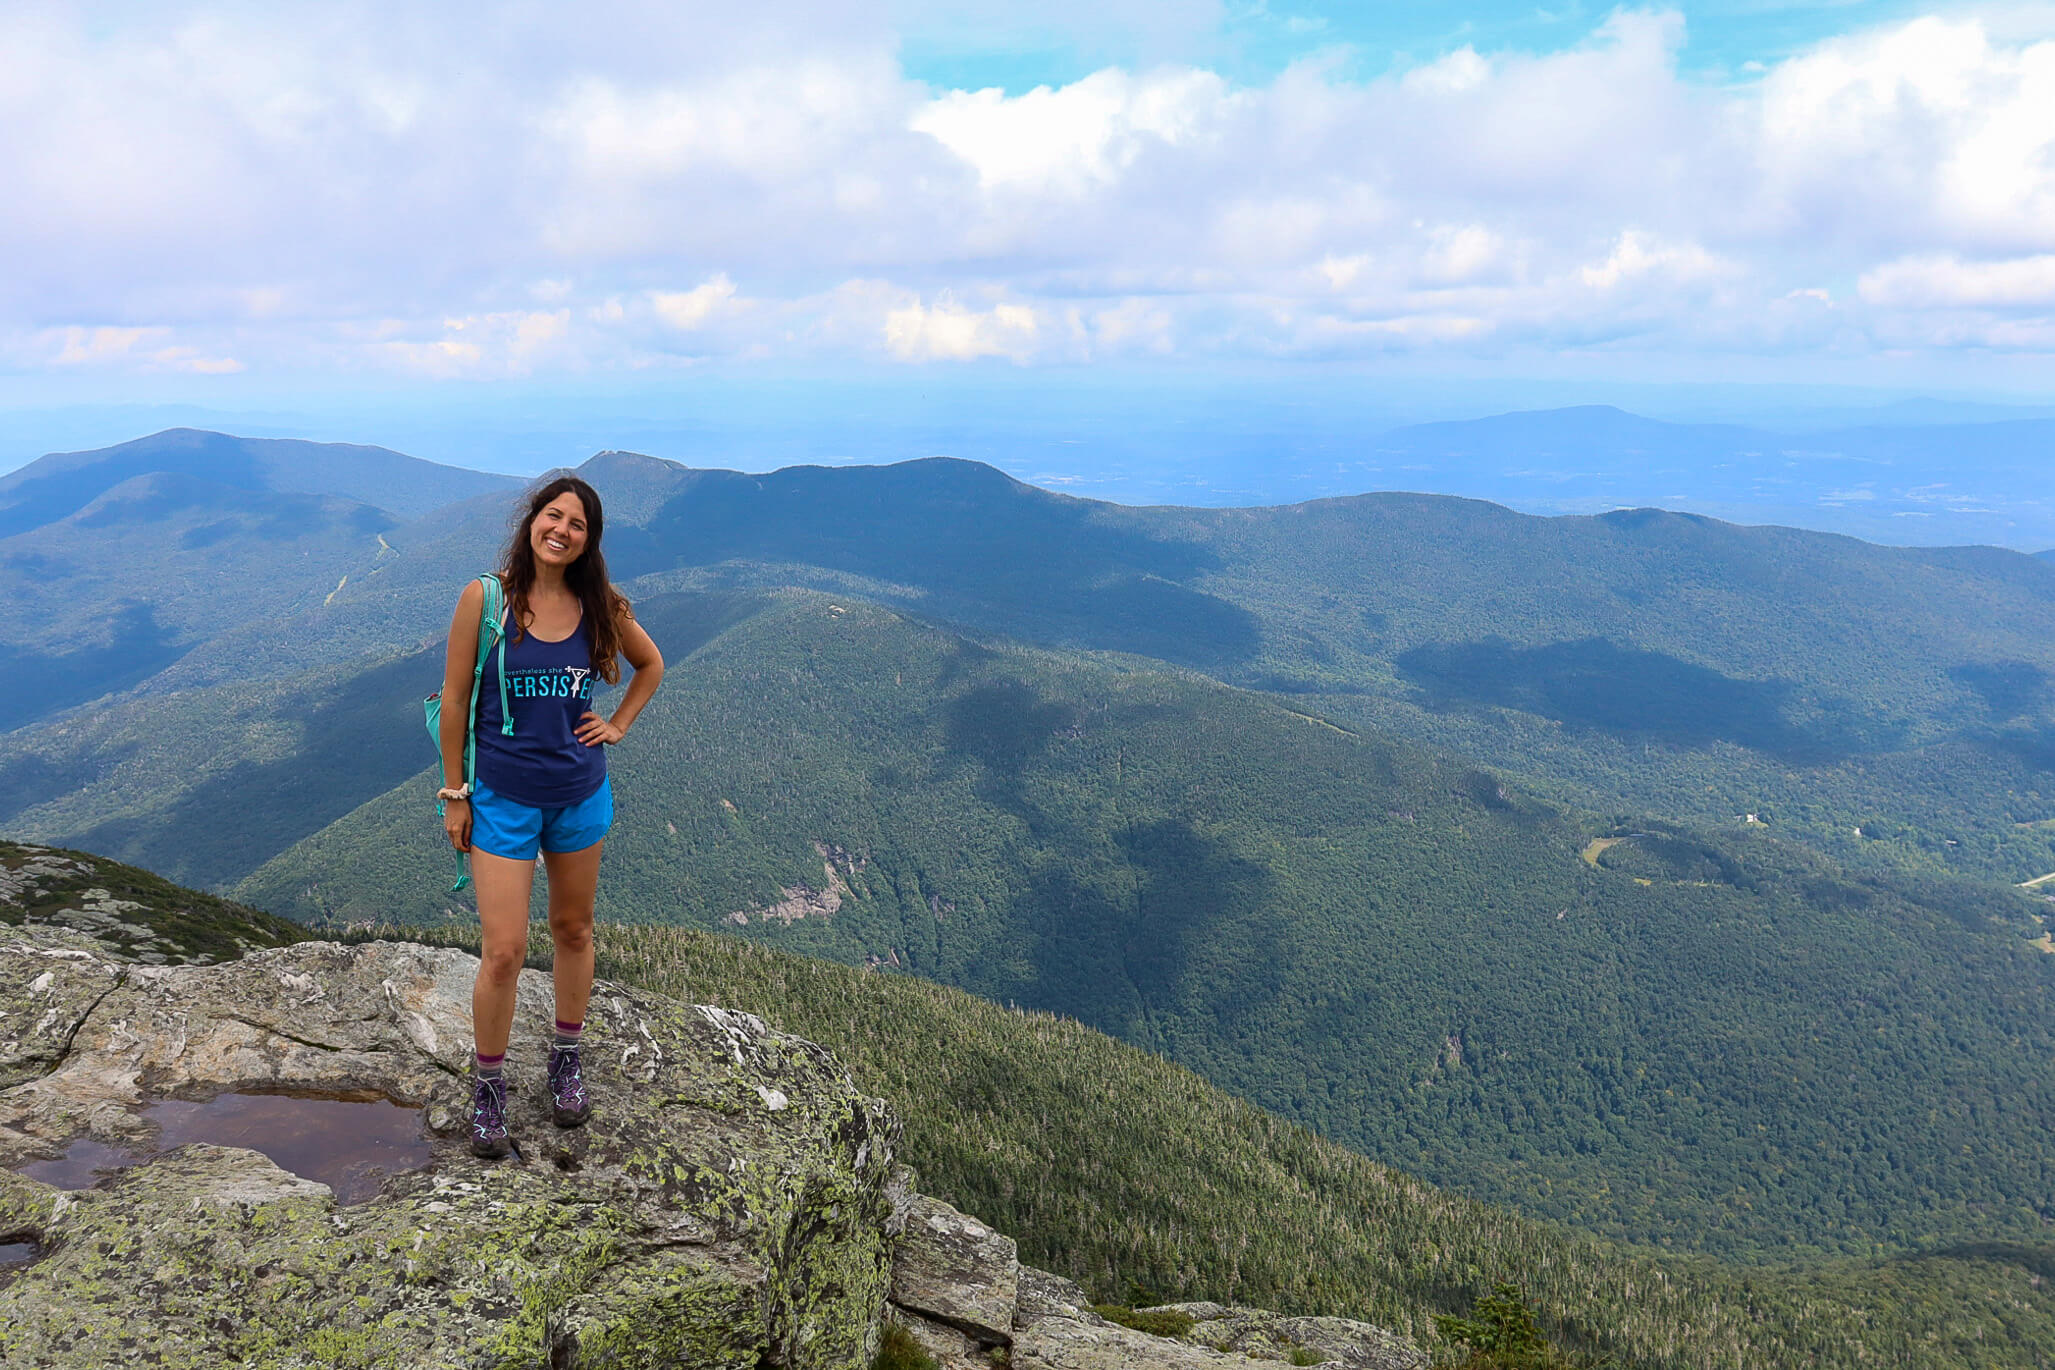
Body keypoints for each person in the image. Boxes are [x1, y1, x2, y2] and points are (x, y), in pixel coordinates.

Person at [436, 475, 664, 1158]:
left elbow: (650, 665)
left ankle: (566, 1056)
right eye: (552, 515)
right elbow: (452, 702)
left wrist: (618, 723)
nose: (561, 530)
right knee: (503, 950)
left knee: (572, 928)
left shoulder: (600, 606)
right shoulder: (486, 599)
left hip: (578, 793)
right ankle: (489, 1088)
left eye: (577, 524)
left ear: (588, 541)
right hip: (501, 797)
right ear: (531, 519)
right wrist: (455, 795)